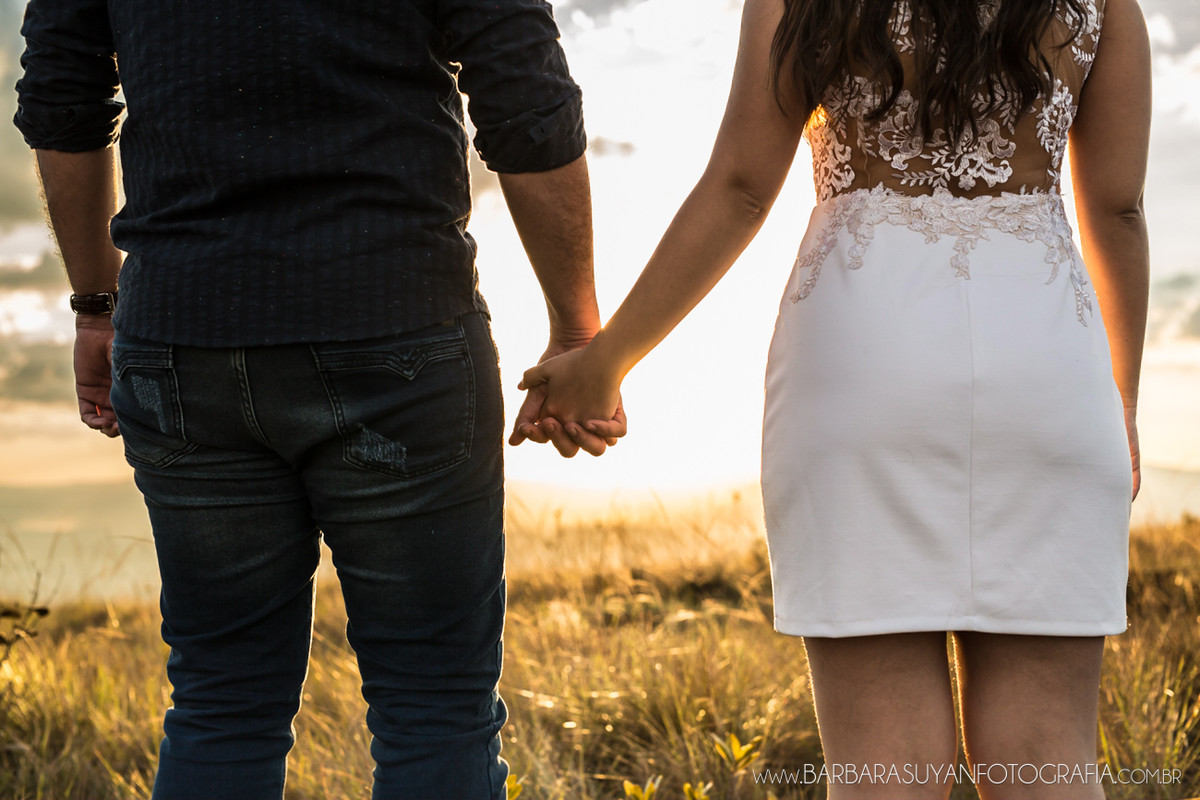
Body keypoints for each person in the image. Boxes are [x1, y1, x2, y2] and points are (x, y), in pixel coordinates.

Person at [519, 0, 1149, 796]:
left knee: (883, 772)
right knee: (1047, 757)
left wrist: (606, 360)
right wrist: (1117, 404)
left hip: (859, 360)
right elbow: (1118, 210)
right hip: (1050, 370)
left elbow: (744, 186)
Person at [14, 0, 625, 797]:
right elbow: (526, 94)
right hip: (392, 316)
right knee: (433, 705)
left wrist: (97, 305)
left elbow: (64, 101)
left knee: (220, 703)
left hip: (183, 329)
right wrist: (577, 329)